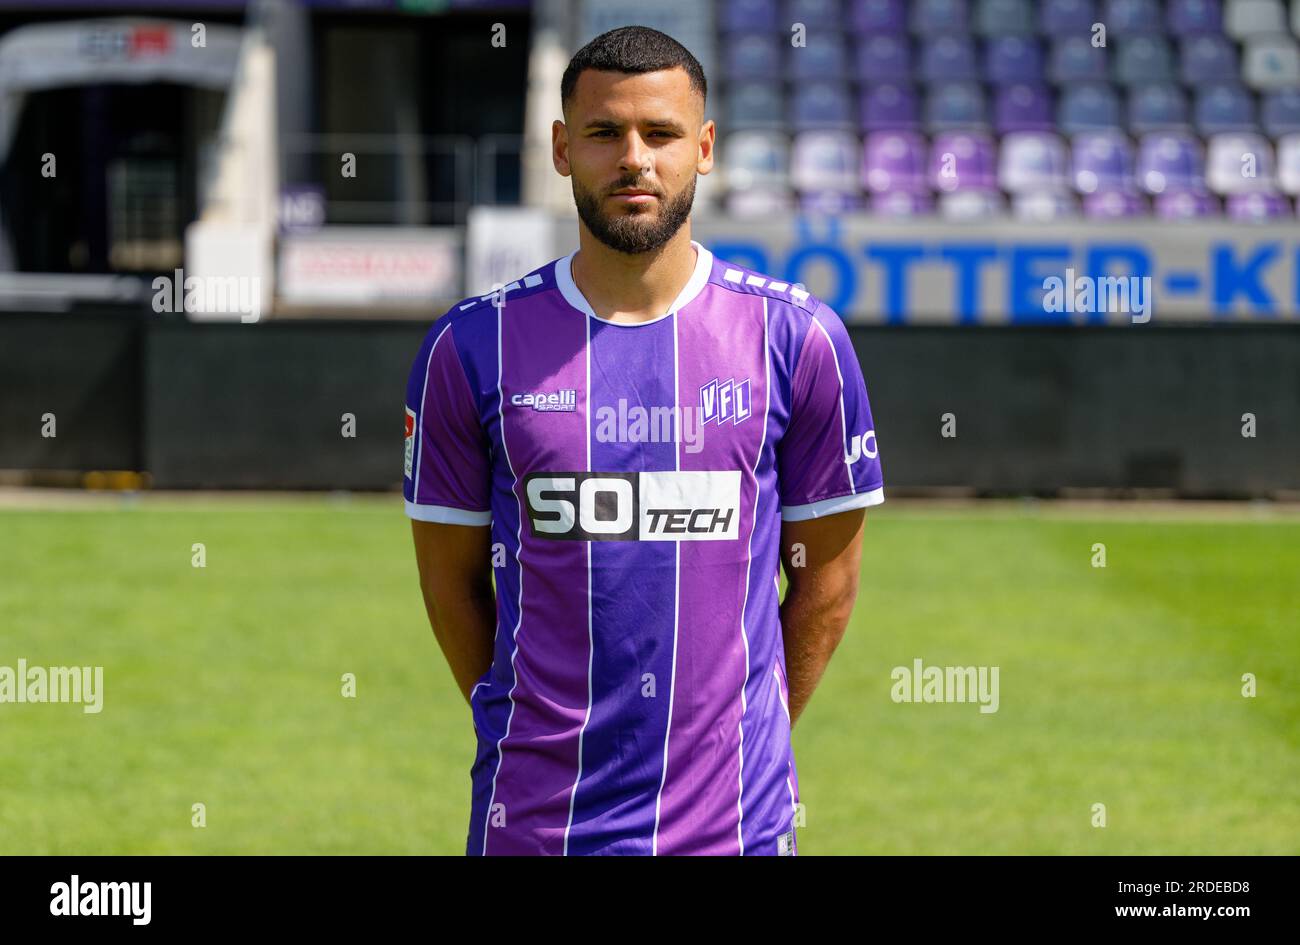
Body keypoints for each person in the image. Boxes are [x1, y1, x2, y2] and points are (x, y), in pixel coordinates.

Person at [404, 25, 884, 855]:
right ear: (561, 148)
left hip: (733, 826)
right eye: (604, 133)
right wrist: (533, 729)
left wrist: (741, 738)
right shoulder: (470, 346)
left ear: (703, 149)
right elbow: (452, 589)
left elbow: (827, 586)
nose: (634, 158)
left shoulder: (796, 338)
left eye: (660, 134)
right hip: (534, 824)